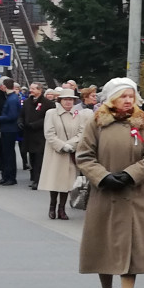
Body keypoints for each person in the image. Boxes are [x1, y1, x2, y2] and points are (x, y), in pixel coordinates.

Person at [75, 78, 144, 288]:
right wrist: (103, 177)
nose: (129, 100)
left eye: (131, 96)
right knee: (104, 246)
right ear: (112, 99)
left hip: (134, 195)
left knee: (133, 250)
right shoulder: (97, 122)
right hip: (105, 194)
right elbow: (84, 155)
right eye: (123, 96)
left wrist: (131, 174)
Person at [38, 87, 92, 220]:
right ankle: (52, 206)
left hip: (70, 153)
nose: (68, 102)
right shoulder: (51, 113)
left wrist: (71, 145)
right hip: (55, 152)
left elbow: (82, 132)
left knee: (67, 182)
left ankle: (62, 208)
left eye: (71, 100)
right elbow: (49, 133)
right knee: (54, 180)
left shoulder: (79, 115)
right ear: (60, 100)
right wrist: (62, 145)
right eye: (66, 99)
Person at [21, 82, 54, 189]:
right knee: (32, 157)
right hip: (29, 134)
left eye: (34, 88)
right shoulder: (27, 102)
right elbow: (21, 114)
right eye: (31, 88)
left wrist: (35, 125)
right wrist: (20, 122)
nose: (31, 90)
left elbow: (48, 118)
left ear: (40, 90)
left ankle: (38, 179)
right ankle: (33, 177)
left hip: (40, 135)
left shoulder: (47, 103)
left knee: (39, 158)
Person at [0, 77, 21, 185]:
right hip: (8, 129)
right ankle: (6, 176)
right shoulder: (12, 98)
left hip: (9, 129)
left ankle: (10, 177)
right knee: (6, 154)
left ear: (4, 86)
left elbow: (12, 116)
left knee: (8, 154)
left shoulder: (12, 99)